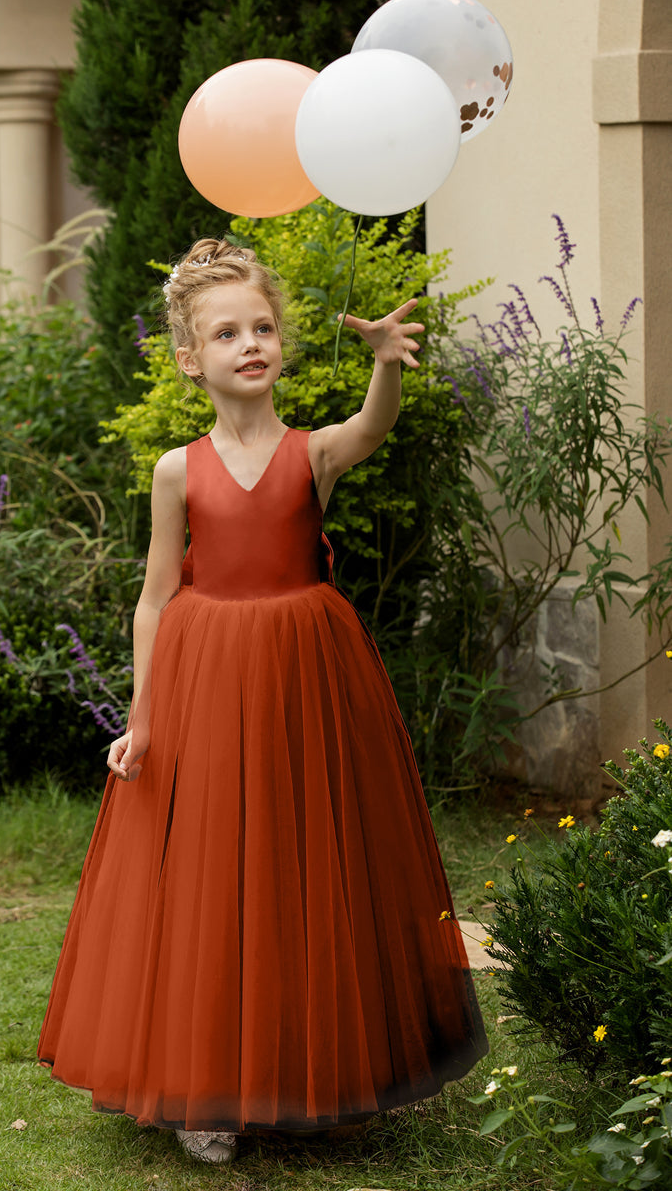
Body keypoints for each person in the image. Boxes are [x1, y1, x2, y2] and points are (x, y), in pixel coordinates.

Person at [38, 238, 488, 1165]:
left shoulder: (311, 452)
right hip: (205, 677)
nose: (251, 343)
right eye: (227, 332)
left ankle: (325, 1067)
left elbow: (372, 430)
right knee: (211, 870)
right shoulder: (177, 470)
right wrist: (143, 719)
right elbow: (157, 596)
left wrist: (382, 368)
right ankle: (207, 1085)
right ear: (188, 358)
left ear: (281, 343)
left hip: (305, 674)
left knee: (308, 860)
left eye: (264, 327)